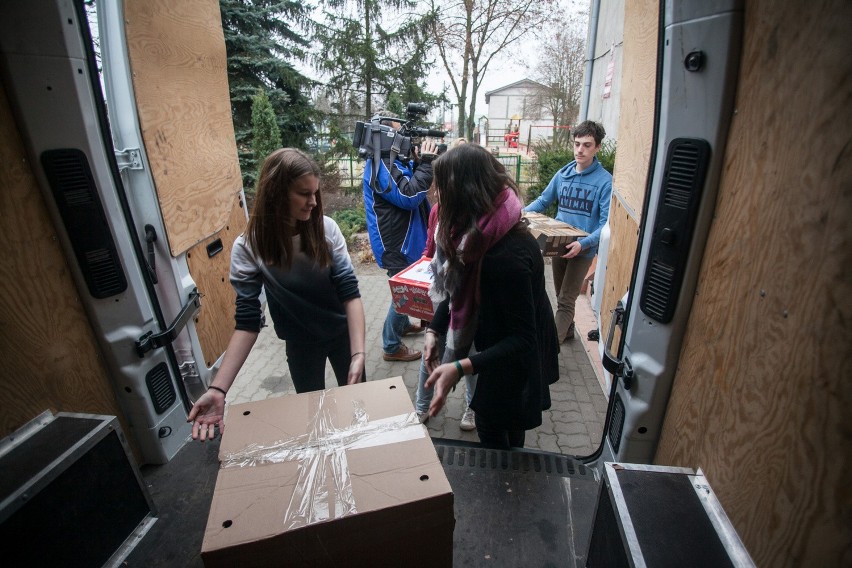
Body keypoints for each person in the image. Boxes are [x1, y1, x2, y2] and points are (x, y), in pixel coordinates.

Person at [189, 148, 366, 441]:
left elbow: (350, 293)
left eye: (315, 193)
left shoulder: (326, 230)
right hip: (300, 344)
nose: (313, 202)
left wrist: (359, 352)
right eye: (303, 194)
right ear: (276, 193)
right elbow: (247, 322)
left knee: (360, 406)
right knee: (315, 418)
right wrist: (218, 389)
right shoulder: (248, 247)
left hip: (343, 336)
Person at [423, 144, 559, 449]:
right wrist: (434, 328)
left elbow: (523, 339)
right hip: (499, 349)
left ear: (464, 192)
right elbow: (458, 283)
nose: (436, 196)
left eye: (442, 187)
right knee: (504, 429)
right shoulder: (481, 234)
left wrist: (459, 366)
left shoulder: (504, 255)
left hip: (514, 361)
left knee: (497, 428)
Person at [524, 120, 612, 342]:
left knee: (565, 300)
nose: (580, 150)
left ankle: (549, 350)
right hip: (559, 245)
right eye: (577, 144)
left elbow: (604, 224)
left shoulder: (605, 182)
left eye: (587, 145)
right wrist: (519, 215)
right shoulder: (563, 175)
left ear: (598, 147)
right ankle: (568, 329)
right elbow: (544, 200)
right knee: (560, 294)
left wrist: (583, 244)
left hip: (583, 250)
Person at [362, 111, 438, 362]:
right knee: (404, 293)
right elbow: (408, 197)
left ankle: (402, 326)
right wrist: (426, 164)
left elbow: (409, 184)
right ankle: (391, 346)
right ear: (383, 136)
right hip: (394, 244)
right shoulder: (379, 165)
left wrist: (418, 162)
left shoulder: (391, 161)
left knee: (402, 288)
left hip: (404, 240)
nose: (401, 138)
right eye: (397, 133)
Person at [414, 199, 478, 431]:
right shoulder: (439, 210)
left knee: (471, 353)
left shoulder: (481, 223)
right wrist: (422, 264)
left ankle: (473, 407)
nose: (440, 191)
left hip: (470, 305)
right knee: (431, 349)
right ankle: (421, 406)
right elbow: (431, 248)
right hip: (444, 297)